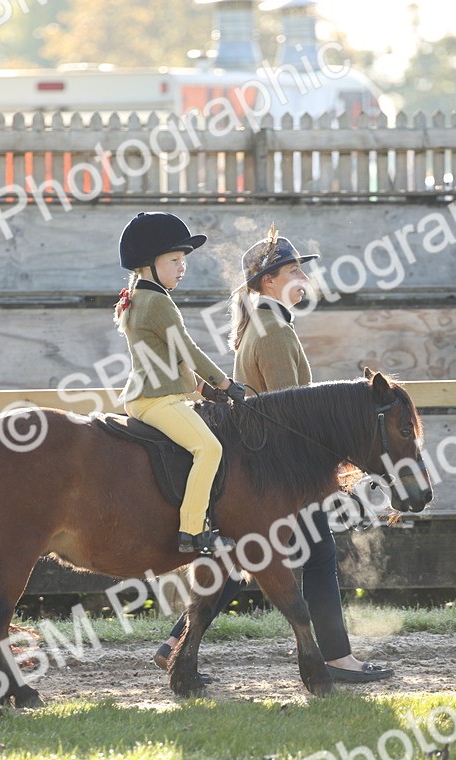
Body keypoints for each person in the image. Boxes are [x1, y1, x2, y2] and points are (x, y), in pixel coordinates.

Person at [153, 225, 395, 683]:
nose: (303, 276)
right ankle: (336, 659)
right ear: (268, 282)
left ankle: (174, 643)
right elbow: (295, 415)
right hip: (282, 473)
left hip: (264, 469)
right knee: (318, 558)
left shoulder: (261, 325)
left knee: (240, 558)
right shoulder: (275, 332)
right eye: (293, 270)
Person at [115, 211, 247, 556]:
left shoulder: (138, 296)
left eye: (182, 260)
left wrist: (205, 391)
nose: (182, 267)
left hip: (149, 394)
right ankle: (192, 531)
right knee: (210, 448)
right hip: (157, 401)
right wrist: (226, 381)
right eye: (174, 260)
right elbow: (187, 350)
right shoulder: (158, 301)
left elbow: (166, 358)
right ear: (148, 263)